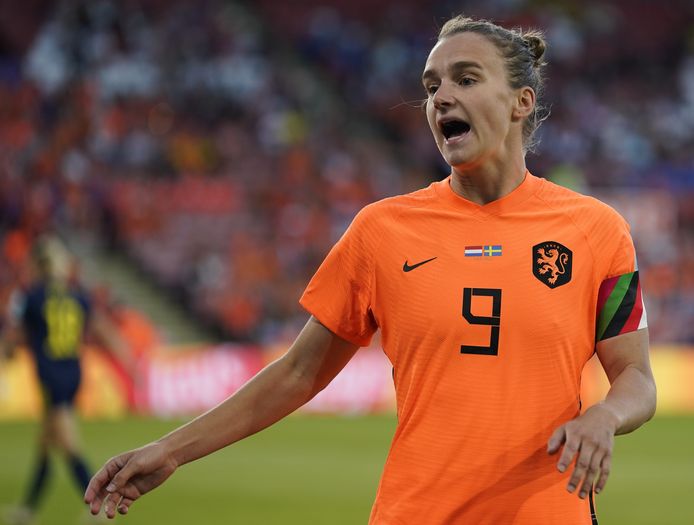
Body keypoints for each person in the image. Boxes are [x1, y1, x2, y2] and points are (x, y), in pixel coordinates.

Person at [83, 15, 656, 525]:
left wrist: (605, 417)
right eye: (431, 86)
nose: (440, 98)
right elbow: (297, 373)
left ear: (520, 102)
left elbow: (636, 379)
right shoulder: (382, 231)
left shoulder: (596, 231)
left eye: (465, 79)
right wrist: (172, 449)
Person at [0, 236, 132, 525]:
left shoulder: (32, 296)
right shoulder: (76, 295)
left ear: (37, 265)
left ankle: (100, 501)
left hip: (50, 374)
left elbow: (14, 339)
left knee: (68, 443)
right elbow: (102, 328)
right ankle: (28, 509)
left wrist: (7, 351)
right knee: (46, 443)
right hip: (73, 373)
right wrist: (126, 357)